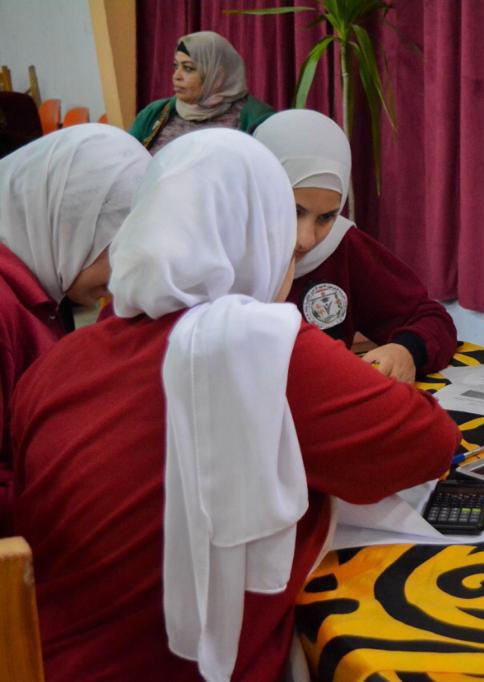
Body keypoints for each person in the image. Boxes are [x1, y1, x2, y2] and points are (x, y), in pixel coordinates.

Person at [11, 129, 460, 680]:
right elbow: (429, 443)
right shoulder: (264, 348)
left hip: (40, 658)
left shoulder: (57, 362)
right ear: (263, 238)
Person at [0, 124, 148, 536]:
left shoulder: (44, 287)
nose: (124, 271)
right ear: (70, 222)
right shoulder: (5, 306)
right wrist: (91, 484)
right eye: (118, 246)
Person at [254, 109, 457, 382]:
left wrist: (406, 351)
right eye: (293, 211)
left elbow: (430, 318)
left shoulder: (343, 246)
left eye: (326, 217)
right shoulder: (217, 251)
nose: (306, 239)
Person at [129, 31, 274, 153]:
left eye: (188, 68)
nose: (176, 76)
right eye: (176, 66)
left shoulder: (256, 118)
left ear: (217, 76)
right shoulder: (155, 113)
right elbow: (128, 162)